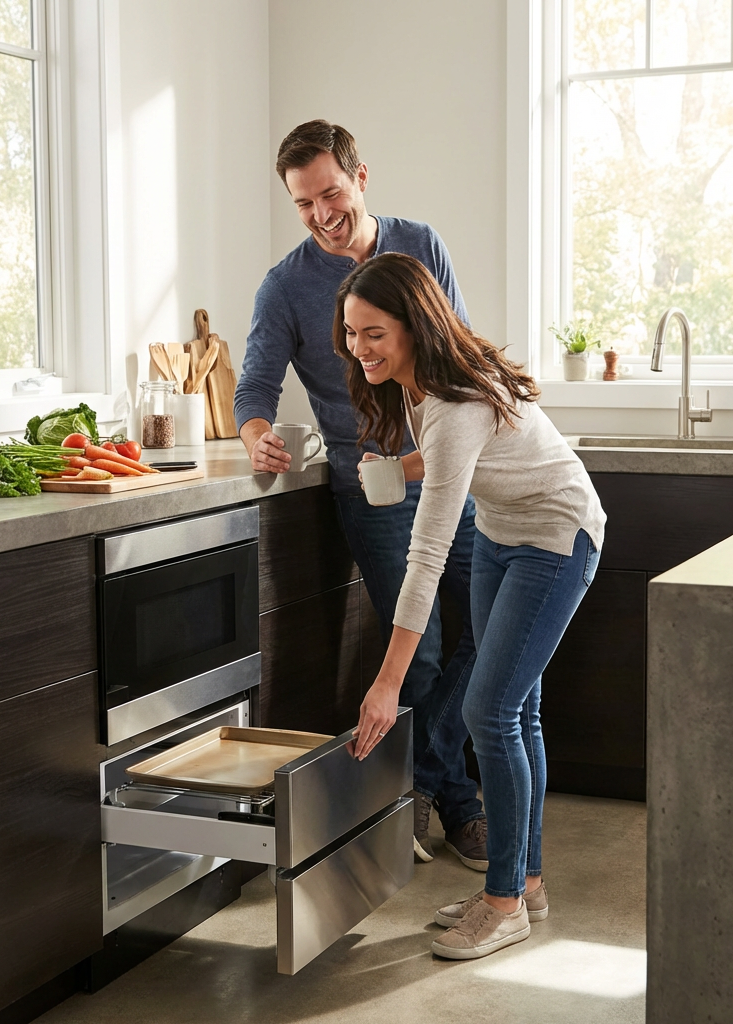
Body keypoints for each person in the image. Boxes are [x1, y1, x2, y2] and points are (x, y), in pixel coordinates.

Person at [335, 252, 606, 961]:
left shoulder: (451, 401)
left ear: (413, 326)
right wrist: (402, 468)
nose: (359, 348)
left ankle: (503, 902)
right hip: (498, 534)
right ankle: (527, 883)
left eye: (374, 333)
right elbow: (456, 454)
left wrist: (386, 685)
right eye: (351, 332)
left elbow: (423, 557)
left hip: (555, 536)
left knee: (491, 712)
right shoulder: (422, 380)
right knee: (518, 712)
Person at [233, 120, 486, 869]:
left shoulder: (421, 245)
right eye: (304, 202)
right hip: (374, 492)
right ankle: (455, 802)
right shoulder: (285, 285)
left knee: (483, 630)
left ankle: (416, 790)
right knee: (425, 653)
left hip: (449, 470)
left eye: (330, 193)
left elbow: (461, 351)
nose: (320, 213)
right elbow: (255, 383)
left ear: (360, 176)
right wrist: (254, 435)